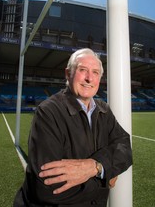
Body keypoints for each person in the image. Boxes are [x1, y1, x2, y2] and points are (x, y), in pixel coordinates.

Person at [14, 48, 133, 207]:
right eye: (82, 70)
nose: (89, 78)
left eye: (95, 72)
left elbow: (125, 148)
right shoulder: (48, 112)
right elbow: (47, 186)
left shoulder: (103, 109)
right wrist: (105, 176)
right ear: (68, 73)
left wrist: (95, 167)